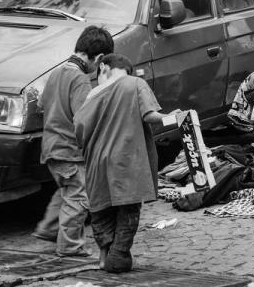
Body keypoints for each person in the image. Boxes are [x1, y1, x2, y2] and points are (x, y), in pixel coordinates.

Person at [74, 53, 177, 273]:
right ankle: (119, 255)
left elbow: (80, 130)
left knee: (102, 209)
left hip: (98, 162)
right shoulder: (135, 83)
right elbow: (151, 115)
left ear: (104, 67)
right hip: (126, 161)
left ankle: (105, 255)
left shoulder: (93, 93)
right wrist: (174, 118)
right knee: (127, 208)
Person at [33, 25, 114, 257]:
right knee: (78, 198)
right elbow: (83, 118)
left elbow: (41, 106)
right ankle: (69, 246)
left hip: (50, 147)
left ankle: (48, 229)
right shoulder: (79, 79)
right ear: (99, 58)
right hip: (69, 150)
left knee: (66, 191)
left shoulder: (56, 72)